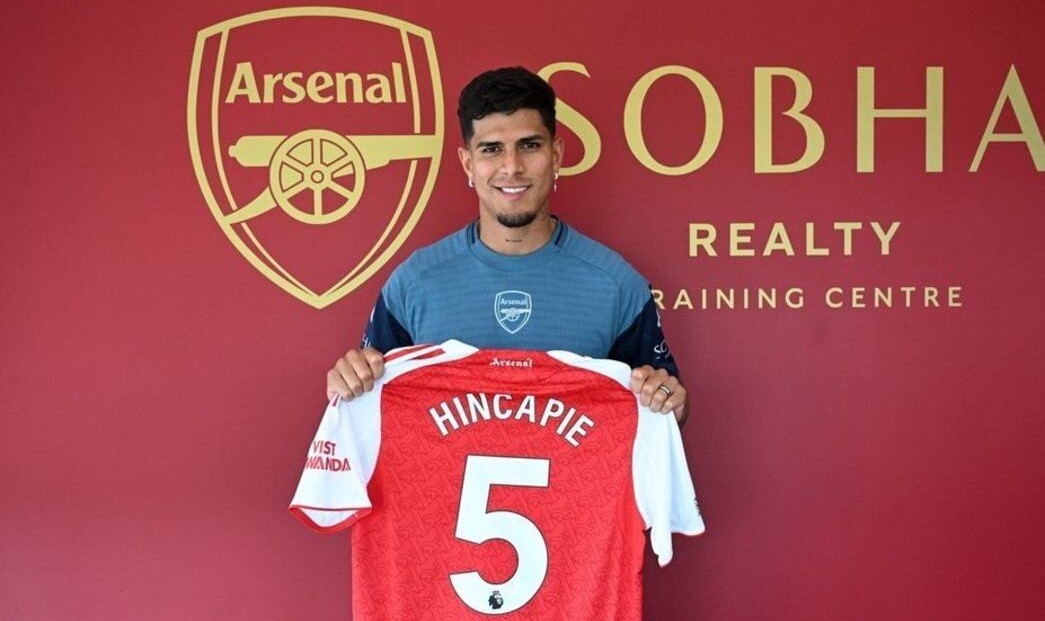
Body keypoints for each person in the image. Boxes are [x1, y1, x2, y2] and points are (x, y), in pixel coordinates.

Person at [327, 67, 690, 424]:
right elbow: (367, 405)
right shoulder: (413, 283)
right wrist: (349, 382)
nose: (512, 167)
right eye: (491, 149)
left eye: (529, 146)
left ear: (556, 155)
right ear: (468, 164)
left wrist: (669, 400)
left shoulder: (617, 285)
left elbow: (668, 414)